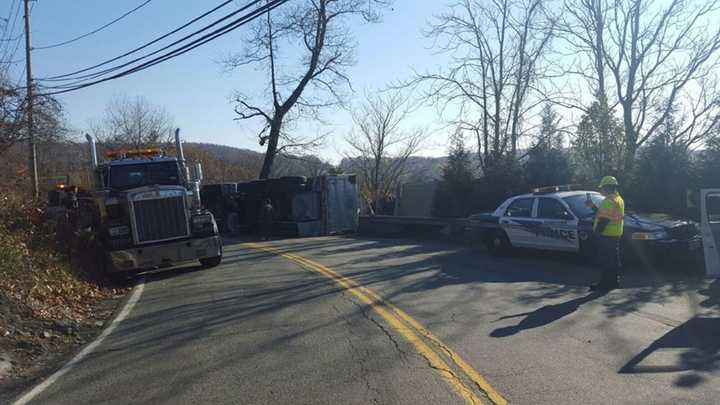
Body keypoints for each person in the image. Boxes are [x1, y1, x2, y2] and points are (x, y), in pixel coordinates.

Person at [586, 176, 625, 291]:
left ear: (607, 187)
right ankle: (614, 281)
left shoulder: (608, 200)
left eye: (602, 188)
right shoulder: (619, 199)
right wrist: (593, 207)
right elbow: (607, 214)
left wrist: (596, 234)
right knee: (613, 259)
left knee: (606, 260)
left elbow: (603, 220)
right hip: (615, 234)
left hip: (606, 235)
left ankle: (604, 284)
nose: (601, 190)